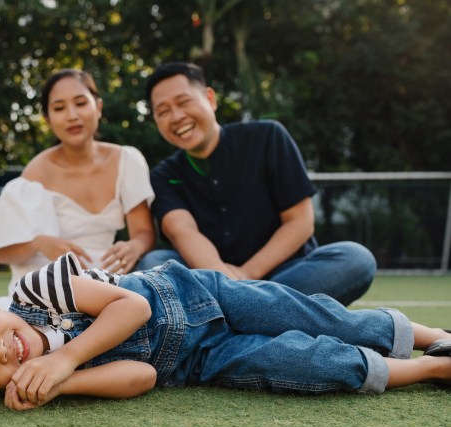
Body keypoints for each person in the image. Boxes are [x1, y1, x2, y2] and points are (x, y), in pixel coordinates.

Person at [0, 253, 451, 410]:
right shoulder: (46, 381)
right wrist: (65, 384)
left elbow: (132, 308)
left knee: (320, 317)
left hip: (200, 292)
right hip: (201, 360)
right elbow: (141, 375)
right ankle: (432, 367)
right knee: (302, 364)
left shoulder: (36, 290)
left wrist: (65, 359)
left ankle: (428, 335)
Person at [136, 62, 376, 306]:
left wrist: (245, 277)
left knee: (356, 259)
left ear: (210, 99)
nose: (177, 117)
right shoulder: (163, 175)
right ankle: (265, 315)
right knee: (154, 264)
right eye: (163, 111)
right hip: (212, 283)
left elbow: (300, 222)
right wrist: (227, 282)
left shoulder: (268, 137)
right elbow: (183, 232)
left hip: (286, 278)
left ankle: (236, 316)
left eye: (183, 102)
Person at [0, 68, 156, 296]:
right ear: (47, 119)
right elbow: (2, 253)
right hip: (50, 286)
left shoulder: (127, 160)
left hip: (109, 282)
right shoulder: (34, 174)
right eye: (59, 108)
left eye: (81, 103)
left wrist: (135, 246)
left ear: (98, 107)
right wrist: (39, 244)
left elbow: (144, 231)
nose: (72, 115)